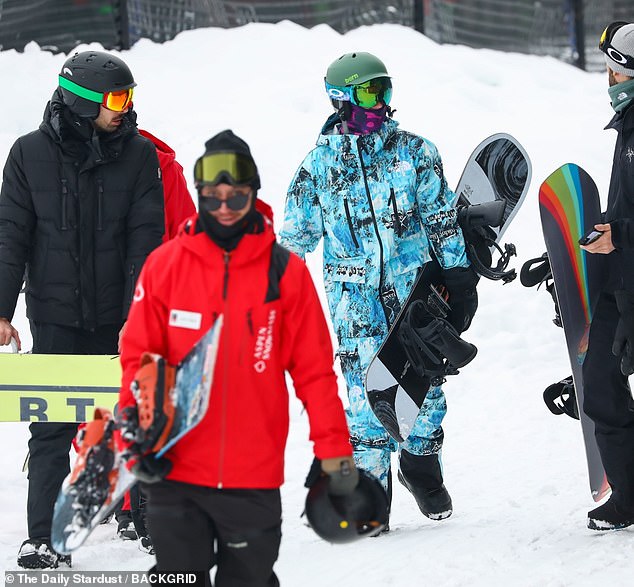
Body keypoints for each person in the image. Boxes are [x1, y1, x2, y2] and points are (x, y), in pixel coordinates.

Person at [117, 130, 356, 585]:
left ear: (254, 194)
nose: (224, 206)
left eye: (237, 196)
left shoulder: (284, 273)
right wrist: (136, 432)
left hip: (252, 477)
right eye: (213, 196)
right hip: (175, 470)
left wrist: (335, 454)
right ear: (200, 194)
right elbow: (138, 359)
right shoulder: (165, 267)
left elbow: (315, 375)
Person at [279, 52, 478, 523]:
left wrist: (459, 276)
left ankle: (420, 465)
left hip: (417, 299)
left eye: (386, 89)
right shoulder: (318, 168)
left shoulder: (414, 153)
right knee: (367, 402)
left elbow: (442, 222)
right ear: (341, 98)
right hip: (356, 307)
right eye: (371, 91)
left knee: (426, 389)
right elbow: (293, 241)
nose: (382, 101)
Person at [0, 50, 165, 569]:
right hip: (55, 313)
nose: (127, 107)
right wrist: (2, 309)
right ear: (82, 100)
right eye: (117, 98)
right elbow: (10, 237)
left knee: (131, 421)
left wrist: (137, 318)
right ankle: (48, 539)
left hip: (119, 318)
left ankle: (149, 520)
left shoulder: (138, 156)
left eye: (130, 96)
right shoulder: (28, 155)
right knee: (51, 427)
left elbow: (146, 243)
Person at [578, 21, 634, 530]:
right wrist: (610, 231)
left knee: (604, 385)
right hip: (621, 284)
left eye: (614, 71)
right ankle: (630, 497)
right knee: (599, 387)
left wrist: (620, 233)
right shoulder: (628, 128)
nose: (609, 81)